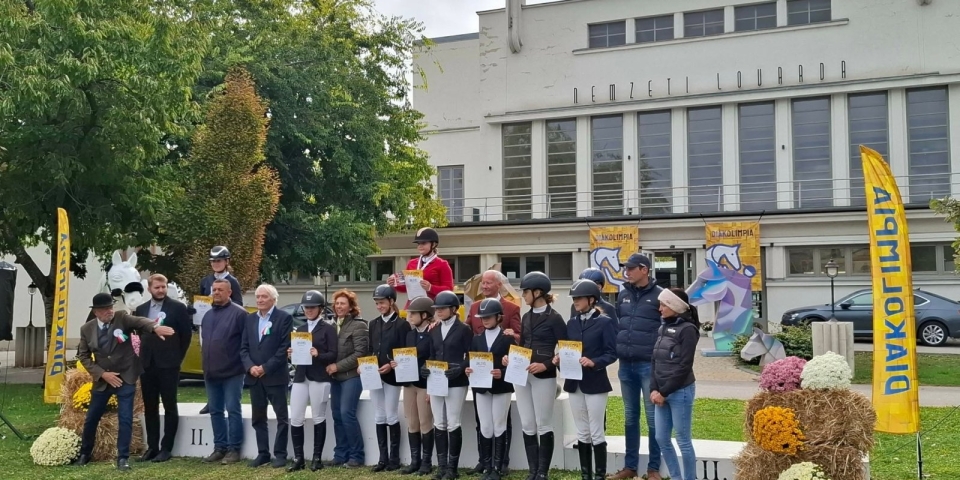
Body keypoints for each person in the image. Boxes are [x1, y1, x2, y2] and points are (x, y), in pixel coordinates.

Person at [74, 293, 175, 471]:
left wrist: (155, 327)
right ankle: (85, 453)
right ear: (96, 312)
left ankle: (123, 458)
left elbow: (141, 322)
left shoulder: (122, 318)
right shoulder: (86, 329)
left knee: (126, 418)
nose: (110, 311)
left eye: (111, 307)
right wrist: (103, 374)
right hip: (103, 381)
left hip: (126, 377)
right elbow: (83, 356)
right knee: (91, 418)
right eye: (105, 308)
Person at [502, 271, 567, 480]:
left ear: (538, 292)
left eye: (525, 291)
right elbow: (523, 346)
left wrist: (546, 364)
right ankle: (532, 470)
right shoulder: (526, 316)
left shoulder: (555, 318)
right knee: (528, 423)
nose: (523, 295)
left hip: (543, 376)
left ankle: (542, 472)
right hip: (522, 375)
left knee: (543, 423)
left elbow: (565, 350)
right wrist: (511, 358)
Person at [609, 253, 663, 480]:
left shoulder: (661, 296)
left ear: (644, 269)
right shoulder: (623, 295)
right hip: (626, 365)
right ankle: (630, 467)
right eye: (626, 268)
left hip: (648, 366)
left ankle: (653, 469)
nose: (627, 272)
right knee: (630, 417)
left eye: (631, 268)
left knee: (653, 419)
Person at [556, 280, 617, 480]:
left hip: (595, 381)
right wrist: (559, 359)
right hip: (574, 383)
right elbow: (568, 350)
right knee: (582, 432)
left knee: (596, 431)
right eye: (574, 298)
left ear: (591, 299)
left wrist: (594, 362)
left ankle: (599, 475)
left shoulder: (605, 322)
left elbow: (612, 352)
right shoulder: (571, 323)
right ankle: (585, 475)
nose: (575, 301)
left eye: (579, 298)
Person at [465, 270, 520, 475]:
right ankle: (487, 465)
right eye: (482, 317)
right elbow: (471, 359)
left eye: (488, 317)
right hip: (481, 386)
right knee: (485, 427)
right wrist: (468, 369)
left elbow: (514, 364)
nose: (484, 320)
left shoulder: (507, 339)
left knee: (499, 425)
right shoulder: (476, 338)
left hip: (501, 386)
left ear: (498, 317)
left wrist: (503, 372)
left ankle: (498, 466)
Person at [135, 274, 192, 463]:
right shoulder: (141, 309)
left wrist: (177, 357)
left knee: (169, 405)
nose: (160, 290)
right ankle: (152, 447)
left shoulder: (177, 308)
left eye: (163, 287)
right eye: (157, 287)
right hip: (148, 365)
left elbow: (186, 336)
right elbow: (140, 334)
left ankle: (166, 448)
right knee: (150, 407)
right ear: (149, 289)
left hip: (169, 365)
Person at [240, 284, 293, 468]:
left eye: (264, 297)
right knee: (258, 418)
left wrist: (265, 368)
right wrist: (251, 367)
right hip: (255, 378)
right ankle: (263, 453)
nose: (260, 300)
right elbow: (244, 348)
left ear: (273, 299)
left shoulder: (284, 318)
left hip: (275, 377)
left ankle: (280, 454)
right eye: (258, 297)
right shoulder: (249, 319)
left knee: (281, 418)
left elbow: (283, 349)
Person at [650, 288, 700, 480]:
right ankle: (676, 477)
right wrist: (654, 388)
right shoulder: (662, 327)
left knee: (683, 440)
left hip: (680, 391)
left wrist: (664, 391)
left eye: (663, 304)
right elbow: (654, 359)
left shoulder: (688, 330)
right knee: (661, 438)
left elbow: (684, 365)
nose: (660, 309)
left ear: (675, 306)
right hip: (661, 391)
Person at [200, 279, 249, 465]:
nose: (216, 292)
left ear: (230, 293)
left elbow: (246, 344)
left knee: (233, 410)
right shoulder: (207, 315)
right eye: (214, 290)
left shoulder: (240, 314)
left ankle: (234, 449)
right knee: (215, 411)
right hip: (211, 372)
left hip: (232, 372)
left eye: (220, 290)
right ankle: (219, 447)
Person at [288, 290, 338, 472]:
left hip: (319, 376)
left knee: (318, 416)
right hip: (301, 376)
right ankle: (298, 457)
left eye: (312, 307)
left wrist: (319, 354)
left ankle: (317, 457)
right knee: (296, 417)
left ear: (320, 308)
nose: (309, 310)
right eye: (307, 307)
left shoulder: (328, 329)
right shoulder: (299, 330)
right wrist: (292, 353)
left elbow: (333, 353)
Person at [424, 290, 472, 480]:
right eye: (437, 309)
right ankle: (442, 466)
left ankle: (452, 468)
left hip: (456, 381)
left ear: (453, 309)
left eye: (442, 308)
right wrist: (424, 368)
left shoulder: (464, 329)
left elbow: (470, 355)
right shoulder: (434, 329)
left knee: (453, 422)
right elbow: (431, 354)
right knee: (439, 423)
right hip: (436, 380)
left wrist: (460, 368)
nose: (439, 311)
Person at [368, 284, 411, 472]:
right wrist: (366, 366)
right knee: (379, 415)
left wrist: (392, 363)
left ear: (391, 302)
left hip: (393, 375)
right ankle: (382, 458)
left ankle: (394, 458)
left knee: (391, 414)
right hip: (375, 375)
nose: (379, 306)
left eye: (382, 303)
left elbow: (405, 350)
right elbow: (371, 350)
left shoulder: (402, 324)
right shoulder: (373, 324)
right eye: (377, 303)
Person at [198, 245, 243, 415]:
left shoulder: (233, 282)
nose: (216, 264)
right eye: (213, 261)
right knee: (208, 357)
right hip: (208, 324)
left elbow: (238, 305)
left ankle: (224, 398)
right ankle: (212, 400)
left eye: (219, 261)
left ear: (226, 261)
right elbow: (200, 303)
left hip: (226, 326)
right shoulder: (205, 281)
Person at [327, 289, 369, 468]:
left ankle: (357, 456)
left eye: (343, 303)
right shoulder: (330, 324)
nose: (339, 306)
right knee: (337, 415)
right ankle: (340, 454)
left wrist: (337, 366)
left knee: (346, 414)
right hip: (335, 378)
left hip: (351, 376)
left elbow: (360, 353)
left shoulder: (359, 325)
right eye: (337, 303)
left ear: (351, 306)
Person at [395, 296, 436, 477]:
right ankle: (415, 461)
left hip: (425, 383)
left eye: (413, 313)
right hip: (409, 382)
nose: (409, 315)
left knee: (425, 422)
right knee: (412, 422)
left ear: (425, 315)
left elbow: (435, 357)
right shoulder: (410, 334)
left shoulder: (434, 333)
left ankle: (427, 462)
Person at [388, 227, 454, 303]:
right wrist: (394, 284)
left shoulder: (442, 264)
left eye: (423, 243)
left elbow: (449, 290)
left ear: (433, 244)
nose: (420, 246)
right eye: (418, 243)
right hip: (413, 304)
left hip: (432, 305)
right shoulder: (411, 263)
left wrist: (431, 288)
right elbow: (406, 288)